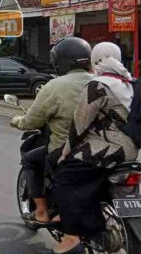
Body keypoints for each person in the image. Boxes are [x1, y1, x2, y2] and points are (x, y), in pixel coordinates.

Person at [48, 42, 138, 254]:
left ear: (95, 60)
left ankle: (71, 236)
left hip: (106, 150)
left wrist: (65, 152)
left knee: (64, 175)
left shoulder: (97, 85)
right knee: (88, 176)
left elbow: (79, 124)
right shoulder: (130, 83)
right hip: (131, 150)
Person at [10, 37, 93, 226]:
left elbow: (32, 120)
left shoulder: (54, 86)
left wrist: (17, 121)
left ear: (60, 62)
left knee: (30, 160)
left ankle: (41, 211)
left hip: (65, 149)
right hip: (101, 148)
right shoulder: (102, 81)